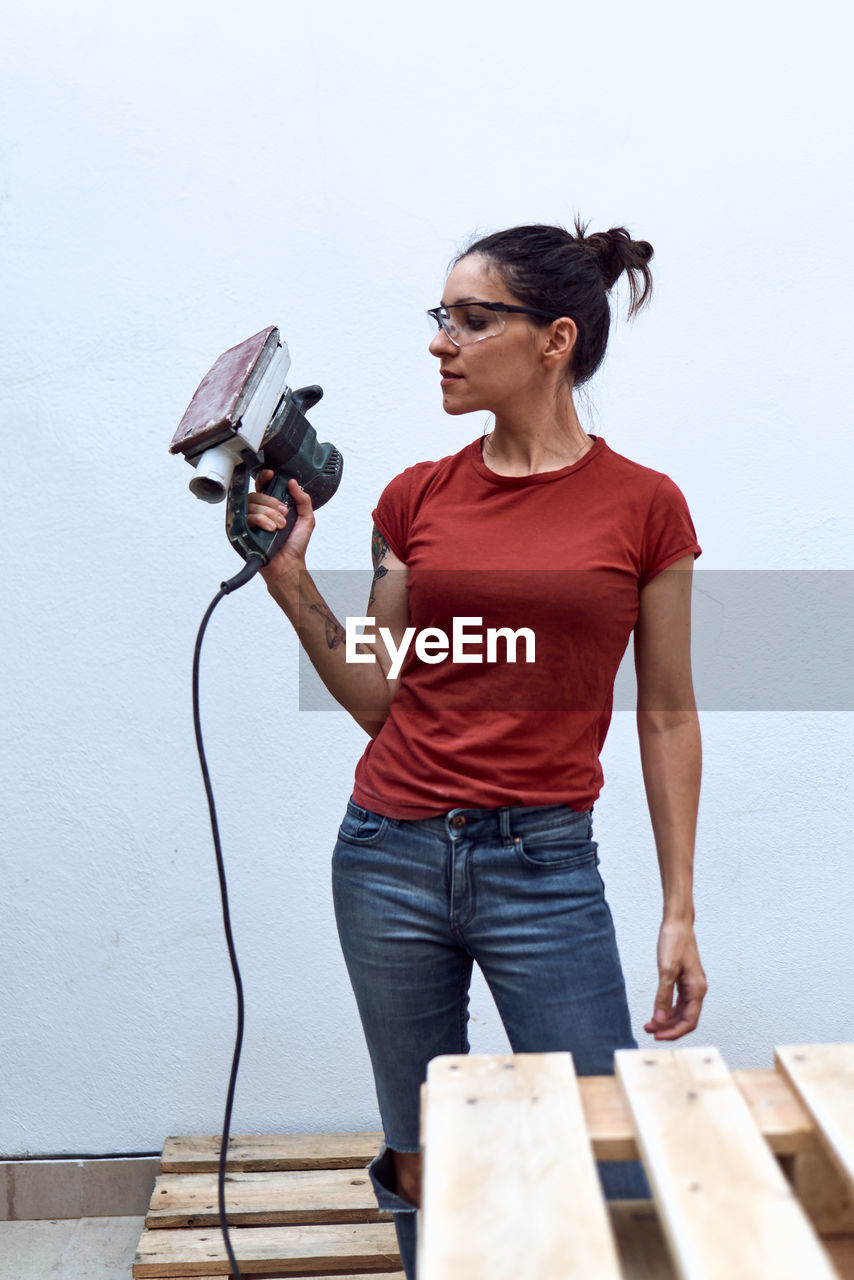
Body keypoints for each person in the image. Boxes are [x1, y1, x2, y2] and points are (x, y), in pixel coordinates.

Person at [248, 219, 707, 1279]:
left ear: (553, 339)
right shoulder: (413, 498)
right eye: (438, 317)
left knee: (610, 1157)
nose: (439, 341)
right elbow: (379, 691)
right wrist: (289, 582)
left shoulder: (645, 507)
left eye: (468, 318)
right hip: (387, 854)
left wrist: (678, 907)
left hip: (542, 868)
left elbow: (668, 710)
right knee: (421, 1155)